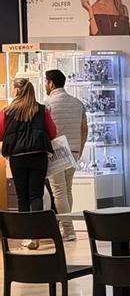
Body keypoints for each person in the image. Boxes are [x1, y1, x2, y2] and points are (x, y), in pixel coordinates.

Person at [0, 78, 58, 249]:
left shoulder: (7, 111)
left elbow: (1, 133)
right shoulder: (41, 109)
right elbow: (53, 132)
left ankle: (26, 234)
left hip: (17, 157)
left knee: (22, 197)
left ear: (17, 91)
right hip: (38, 156)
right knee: (36, 195)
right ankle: (36, 235)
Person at [44, 70, 87, 242]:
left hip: (56, 150)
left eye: (46, 82)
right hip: (74, 150)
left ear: (51, 83)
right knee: (67, 189)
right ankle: (68, 227)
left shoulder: (47, 104)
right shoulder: (77, 103)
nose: (45, 85)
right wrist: (80, 149)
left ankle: (68, 230)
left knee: (59, 191)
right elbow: (84, 128)